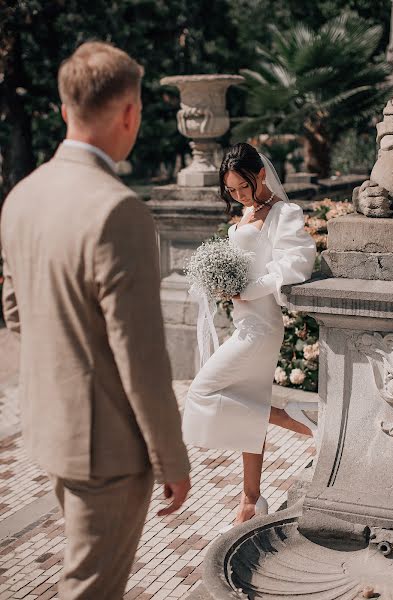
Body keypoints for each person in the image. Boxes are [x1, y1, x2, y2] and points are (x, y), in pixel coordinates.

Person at [0, 41, 190, 599]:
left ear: (64, 110)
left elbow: (15, 311)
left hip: (50, 428)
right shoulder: (118, 209)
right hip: (108, 450)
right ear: (129, 113)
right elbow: (141, 358)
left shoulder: (21, 196)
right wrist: (172, 459)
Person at [183, 142, 316, 528]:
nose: (240, 196)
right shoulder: (245, 214)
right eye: (232, 191)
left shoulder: (284, 213)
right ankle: (250, 501)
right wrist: (218, 281)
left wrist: (246, 288)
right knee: (247, 400)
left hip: (261, 326)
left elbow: (295, 265)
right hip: (244, 322)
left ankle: (306, 423)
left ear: (260, 174)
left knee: (202, 391)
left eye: (244, 186)